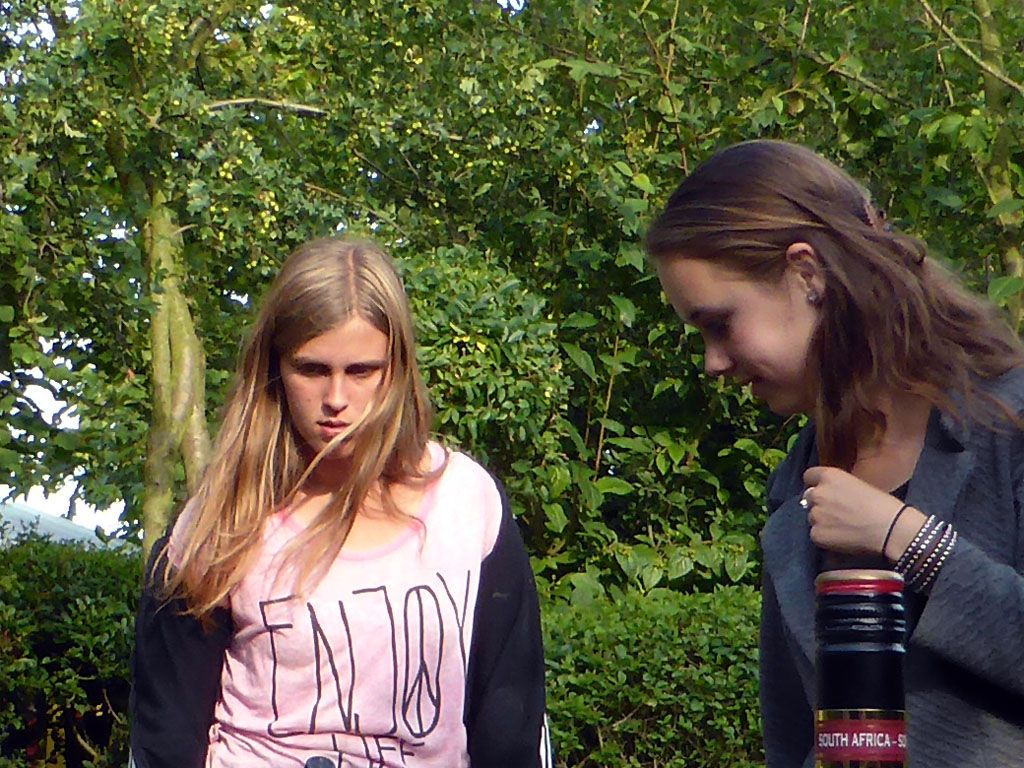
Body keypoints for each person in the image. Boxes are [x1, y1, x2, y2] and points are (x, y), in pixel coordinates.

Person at [645, 139, 1024, 767]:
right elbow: (793, 739)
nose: (712, 362)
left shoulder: (1007, 422)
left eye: (719, 324)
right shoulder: (796, 488)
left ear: (807, 274)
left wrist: (909, 541)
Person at [130, 237, 552, 768]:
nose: (335, 399)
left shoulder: (468, 505)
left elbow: (512, 722)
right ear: (275, 368)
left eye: (361, 371)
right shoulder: (217, 523)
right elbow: (164, 738)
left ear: (397, 369)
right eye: (311, 369)